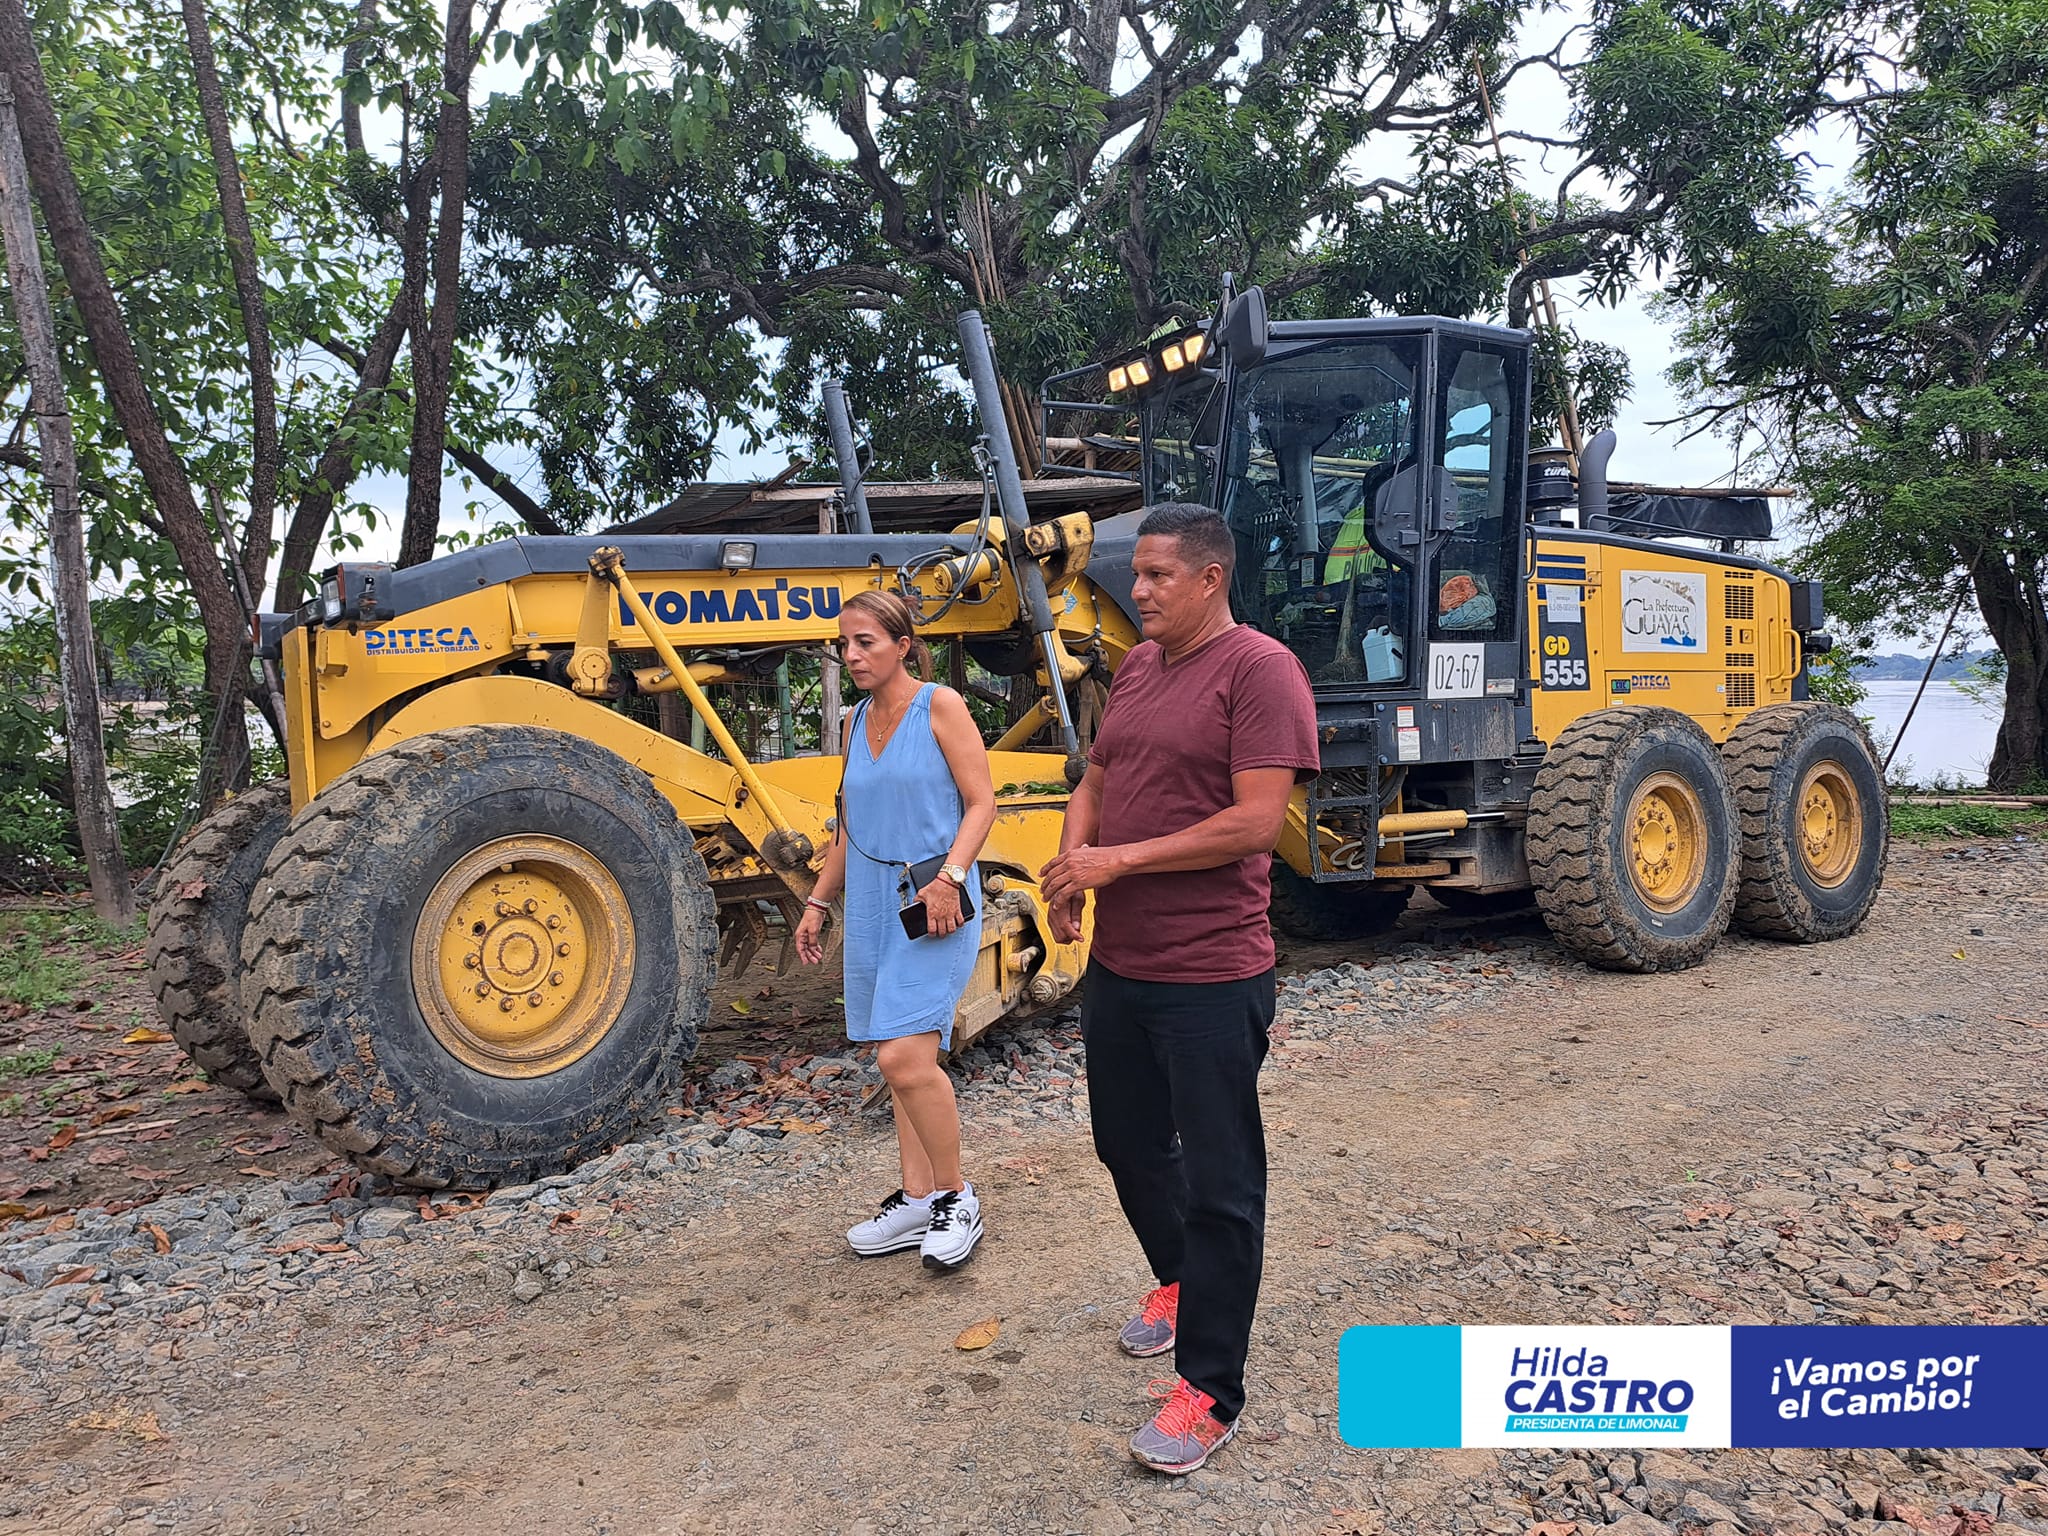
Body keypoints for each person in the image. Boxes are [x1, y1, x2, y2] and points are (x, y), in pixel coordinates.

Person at [1040, 504, 1319, 1474]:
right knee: (1124, 1144)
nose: (1140, 590)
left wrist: (1116, 862)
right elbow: (1097, 778)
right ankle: (1179, 1279)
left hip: (1212, 972)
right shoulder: (1139, 669)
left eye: (1158, 575)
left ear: (1210, 578)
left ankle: (1209, 1389)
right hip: (1123, 964)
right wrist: (1071, 866)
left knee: (1221, 1184)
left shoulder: (1260, 671)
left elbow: (1254, 822)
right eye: (1138, 574)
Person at [795, 589, 996, 1271]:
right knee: (898, 1056)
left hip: (936, 898)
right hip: (874, 905)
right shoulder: (854, 720)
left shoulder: (941, 705)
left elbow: (982, 803)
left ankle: (956, 1196)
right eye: (844, 645)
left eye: (866, 642)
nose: (851, 655)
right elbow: (849, 826)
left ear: (902, 645)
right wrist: (818, 901)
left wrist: (952, 877)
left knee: (904, 1059)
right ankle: (916, 1199)